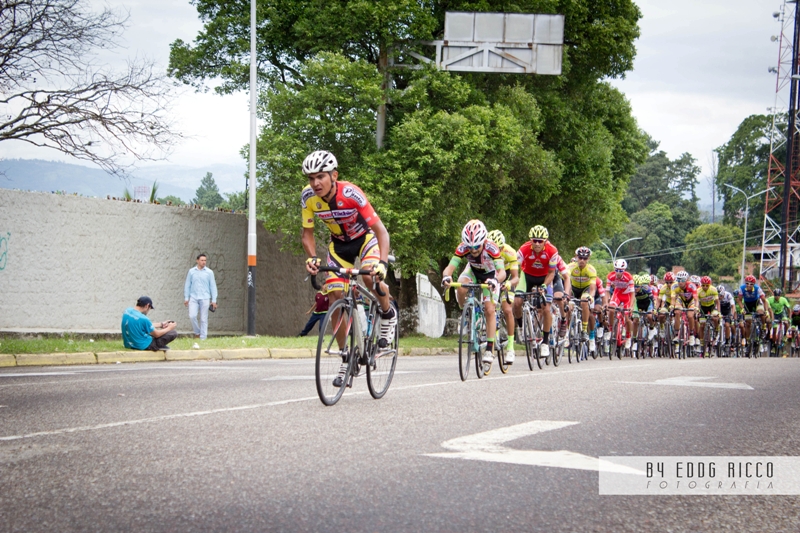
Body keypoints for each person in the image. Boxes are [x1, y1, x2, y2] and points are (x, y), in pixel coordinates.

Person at [300, 150, 397, 387]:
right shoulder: (307, 198)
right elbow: (307, 235)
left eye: (320, 176)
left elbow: (382, 232)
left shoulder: (351, 193)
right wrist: (312, 258)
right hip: (339, 247)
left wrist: (382, 264)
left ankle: (388, 314)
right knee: (334, 296)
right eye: (311, 178)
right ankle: (346, 357)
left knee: (370, 279)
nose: (315, 183)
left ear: (334, 175)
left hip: (366, 240)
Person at [442, 220, 506, 365]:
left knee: (490, 309)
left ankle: (490, 349)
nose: (473, 250)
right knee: (461, 286)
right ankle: (464, 311)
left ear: (483, 240)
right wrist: (446, 277)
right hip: (473, 271)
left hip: (491, 275)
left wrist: (495, 281)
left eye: (477, 247)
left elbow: (502, 272)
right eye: (470, 248)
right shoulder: (463, 247)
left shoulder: (492, 248)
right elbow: (450, 268)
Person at [514, 225, 560, 358]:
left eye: (540, 241)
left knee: (546, 308)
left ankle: (545, 343)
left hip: (544, 278)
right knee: (517, 302)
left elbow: (552, 273)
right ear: (531, 240)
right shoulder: (523, 249)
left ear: (545, 241)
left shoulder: (552, 251)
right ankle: (521, 327)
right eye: (535, 240)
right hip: (527, 276)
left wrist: (545, 286)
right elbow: (514, 266)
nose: (537, 243)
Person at [487, 229, 519, 364]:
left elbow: (516, 277)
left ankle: (511, 347)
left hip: (508, 278)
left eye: (499, 248)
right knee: (489, 307)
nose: (496, 250)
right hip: (493, 276)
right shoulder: (486, 252)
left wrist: (509, 283)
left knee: (507, 310)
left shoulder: (510, 252)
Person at [184, 253, 218, 340]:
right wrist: (186, 298)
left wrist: (214, 300)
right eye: (202, 260)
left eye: (205, 260)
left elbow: (213, 286)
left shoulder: (209, 272)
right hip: (194, 297)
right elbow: (187, 285)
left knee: (204, 319)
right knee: (192, 315)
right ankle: (197, 332)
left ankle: (203, 338)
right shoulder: (191, 271)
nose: (204, 262)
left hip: (205, 297)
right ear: (197, 261)